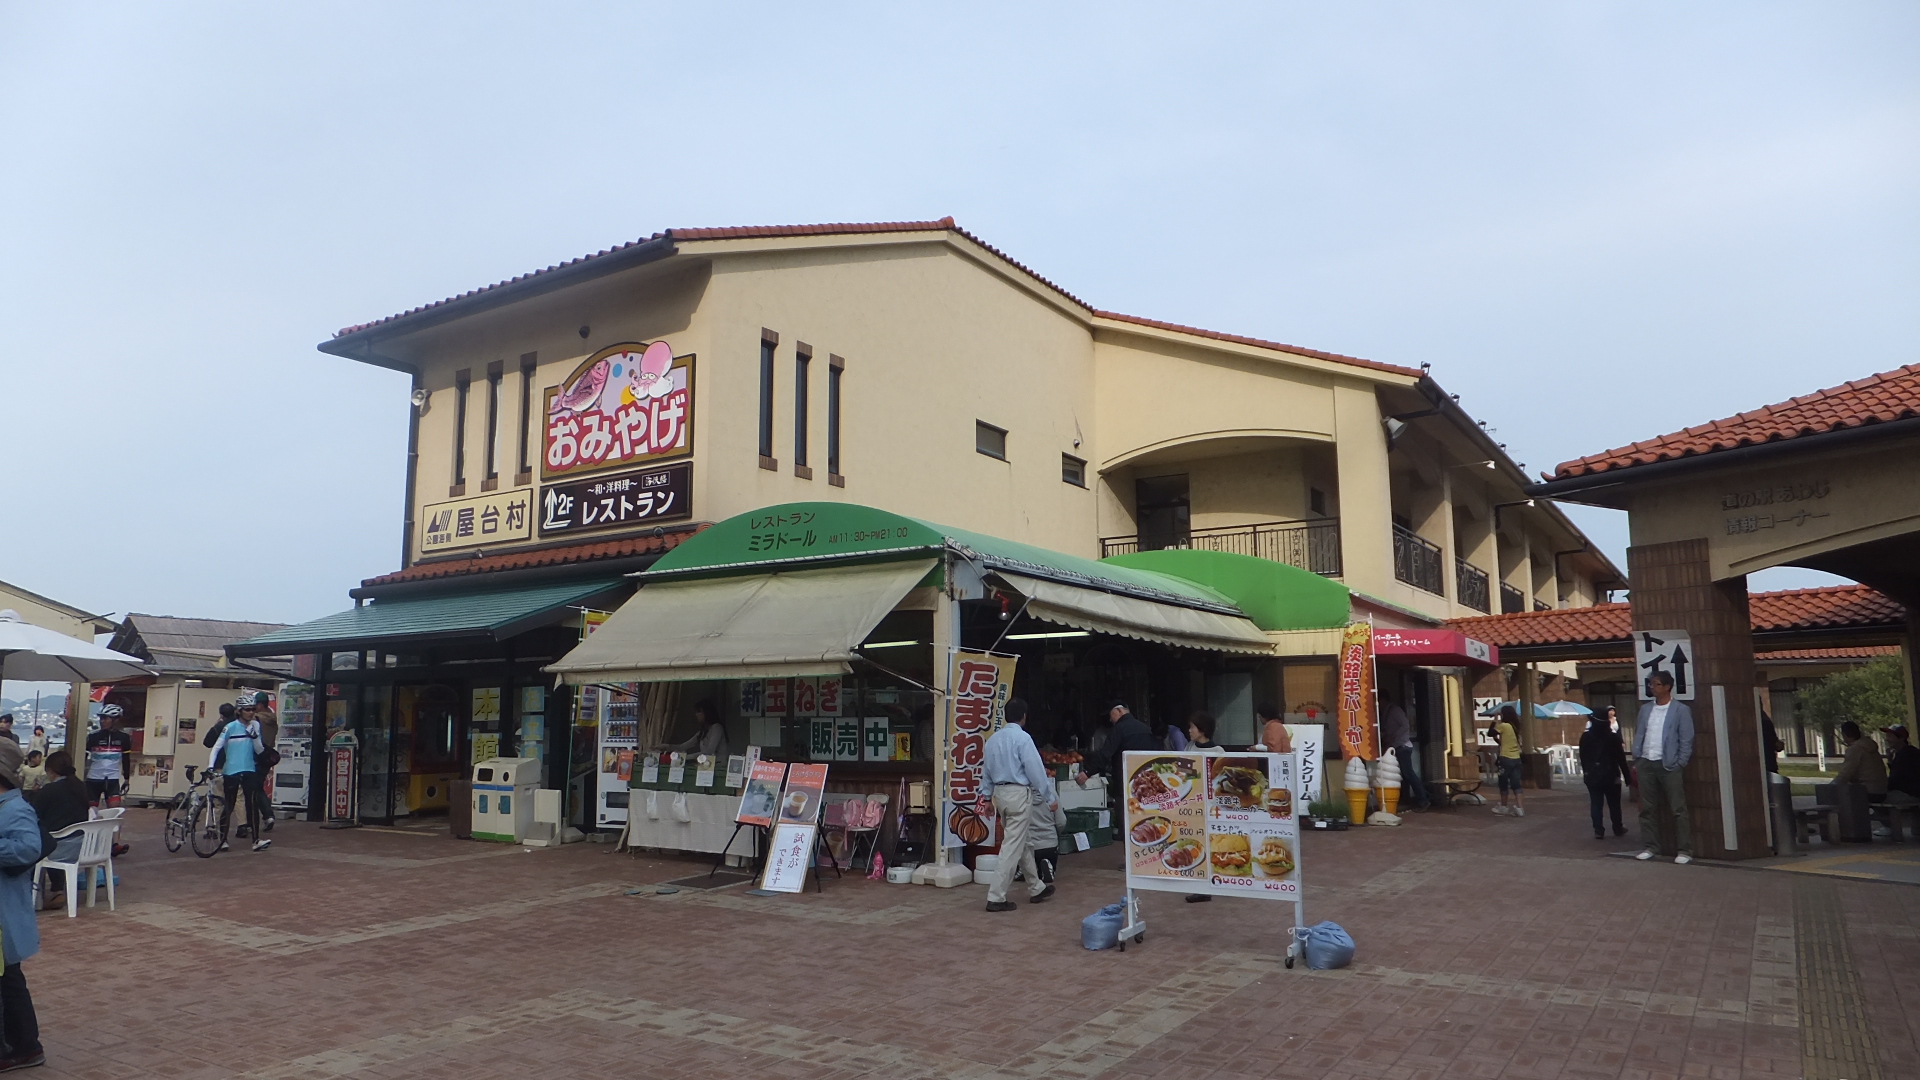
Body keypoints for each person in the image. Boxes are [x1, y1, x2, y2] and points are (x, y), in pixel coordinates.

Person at [981, 698, 1056, 912]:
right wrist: (1050, 797)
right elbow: (1036, 770)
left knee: (1022, 842)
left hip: (1000, 794)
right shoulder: (1023, 739)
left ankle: (1036, 887)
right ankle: (996, 896)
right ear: (1024, 716)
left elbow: (986, 771)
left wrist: (986, 798)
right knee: (1012, 846)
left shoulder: (992, 740)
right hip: (1018, 794)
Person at [0, 740, 46, 1070]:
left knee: (9, 982)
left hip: (4, 915)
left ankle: (25, 1046)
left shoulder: (15, 809)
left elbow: (28, 848)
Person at [1631, 671, 1696, 864]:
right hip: (1646, 761)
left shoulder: (1680, 710)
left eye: (1656, 684)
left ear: (1667, 687)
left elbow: (1686, 738)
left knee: (1678, 808)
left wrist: (1680, 762)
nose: (1652, 687)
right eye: (1651, 684)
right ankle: (1651, 846)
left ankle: (1684, 849)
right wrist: (1637, 756)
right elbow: (1640, 732)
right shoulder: (1645, 709)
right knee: (1647, 808)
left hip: (1668, 764)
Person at [24, 751, 88, 910]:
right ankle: (57, 889)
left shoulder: (49, 791)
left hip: (60, 847)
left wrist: (34, 794)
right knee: (53, 838)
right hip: (84, 846)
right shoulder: (81, 786)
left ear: (51, 770)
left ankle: (32, 893)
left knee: (39, 843)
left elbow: (34, 814)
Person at [211, 706, 271, 852]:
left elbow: (259, 749)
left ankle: (256, 840)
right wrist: (210, 766)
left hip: (249, 768)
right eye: (247, 710)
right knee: (229, 804)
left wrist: (255, 736)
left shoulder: (255, 725)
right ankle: (223, 839)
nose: (251, 712)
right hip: (231, 770)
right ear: (239, 711)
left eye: (252, 709)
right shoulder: (230, 727)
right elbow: (216, 747)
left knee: (252, 803)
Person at [1075, 702, 1157, 788]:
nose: (1110, 719)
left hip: (1125, 782)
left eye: (1110, 714)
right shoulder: (1146, 729)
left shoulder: (1119, 729)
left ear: (1119, 710)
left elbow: (1105, 754)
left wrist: (1088, 772)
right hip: (1147, 781)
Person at [1578, 706, 1630, 839]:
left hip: (1593, 775)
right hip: (1611, 775)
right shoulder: (1612, 737)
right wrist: (1627, 776)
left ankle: (1598, 830)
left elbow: (1583, 757)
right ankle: (1617, 827)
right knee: (1614, 804)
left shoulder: (1586, 737)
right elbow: (1621, 759)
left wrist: (1586, 772)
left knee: (1596, 803)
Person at [1379, 694, 1430, 812]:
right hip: (1395, 746)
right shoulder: (1385, 713)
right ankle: (1408, 798)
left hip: (1402, 746)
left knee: (1408, 773)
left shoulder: (1395, 711)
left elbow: (1405, 725)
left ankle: (1423, 799)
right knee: (1401, 773)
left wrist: (1394, 737)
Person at [84, 704, 133, 807]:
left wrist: (127, 778)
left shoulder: (124, 738)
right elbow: (84, 758)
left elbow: (126, 759)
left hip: (112, 779)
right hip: (93, 779)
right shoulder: (93, 737)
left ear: (115, 720)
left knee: (114, 812)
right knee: (91, 813)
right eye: (101, 718)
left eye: (105, 718)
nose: (102, 721)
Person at [1833, 720, 1887, 797]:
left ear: (1845, 735)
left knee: (1839, 796)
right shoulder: (1869, 746)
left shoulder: (1855, 749)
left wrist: (1831, 786)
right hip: (1881, 790)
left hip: (1867, 791)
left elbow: (1845, 774)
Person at [664, 700, 728, 759]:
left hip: (718, 766)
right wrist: (664, 747)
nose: (696, 715)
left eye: (699, 711)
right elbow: (682, 747)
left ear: (707, 712)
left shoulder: (717, 728)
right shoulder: (703, 732)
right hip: (706, 766)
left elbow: (709, 751)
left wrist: (687, 757)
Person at [1490, 706, 1524, 818]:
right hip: (1516, 759)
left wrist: (1495, 721)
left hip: (1505, 758)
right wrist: (1499, 741)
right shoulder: (1515, 726)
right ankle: (1520, 808)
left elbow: (1490, 733)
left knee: (1503, 783)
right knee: (1516, 784)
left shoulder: (1503, 726)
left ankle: (1504, 807)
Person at [1886, 725, 1920, 801]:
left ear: (1901, 738)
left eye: (1890, 736)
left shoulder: (1907, 755)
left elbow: (1896, 779)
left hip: (1910, 794)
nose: (1887, 739)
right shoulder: (1903, 753)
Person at [1761, 710, 1784, 775]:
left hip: (1769, 762)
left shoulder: (1765, 722)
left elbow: (1776, 743)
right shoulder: (1765, 722)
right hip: (1769, 762)